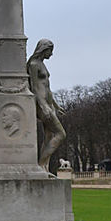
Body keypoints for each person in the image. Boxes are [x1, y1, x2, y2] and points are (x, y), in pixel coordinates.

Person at [27, 39, 66, 173]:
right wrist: (43, 105)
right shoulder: (33, 64)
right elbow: (35, 87)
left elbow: (47, 88)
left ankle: (43, 167)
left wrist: (55, 104)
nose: (52, 53)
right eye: (50, 50)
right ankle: (40, 164)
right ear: (44, 49)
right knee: (61, 134)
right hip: (42, 104)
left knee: (49, 137)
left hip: (48, 104)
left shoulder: (41, 64)